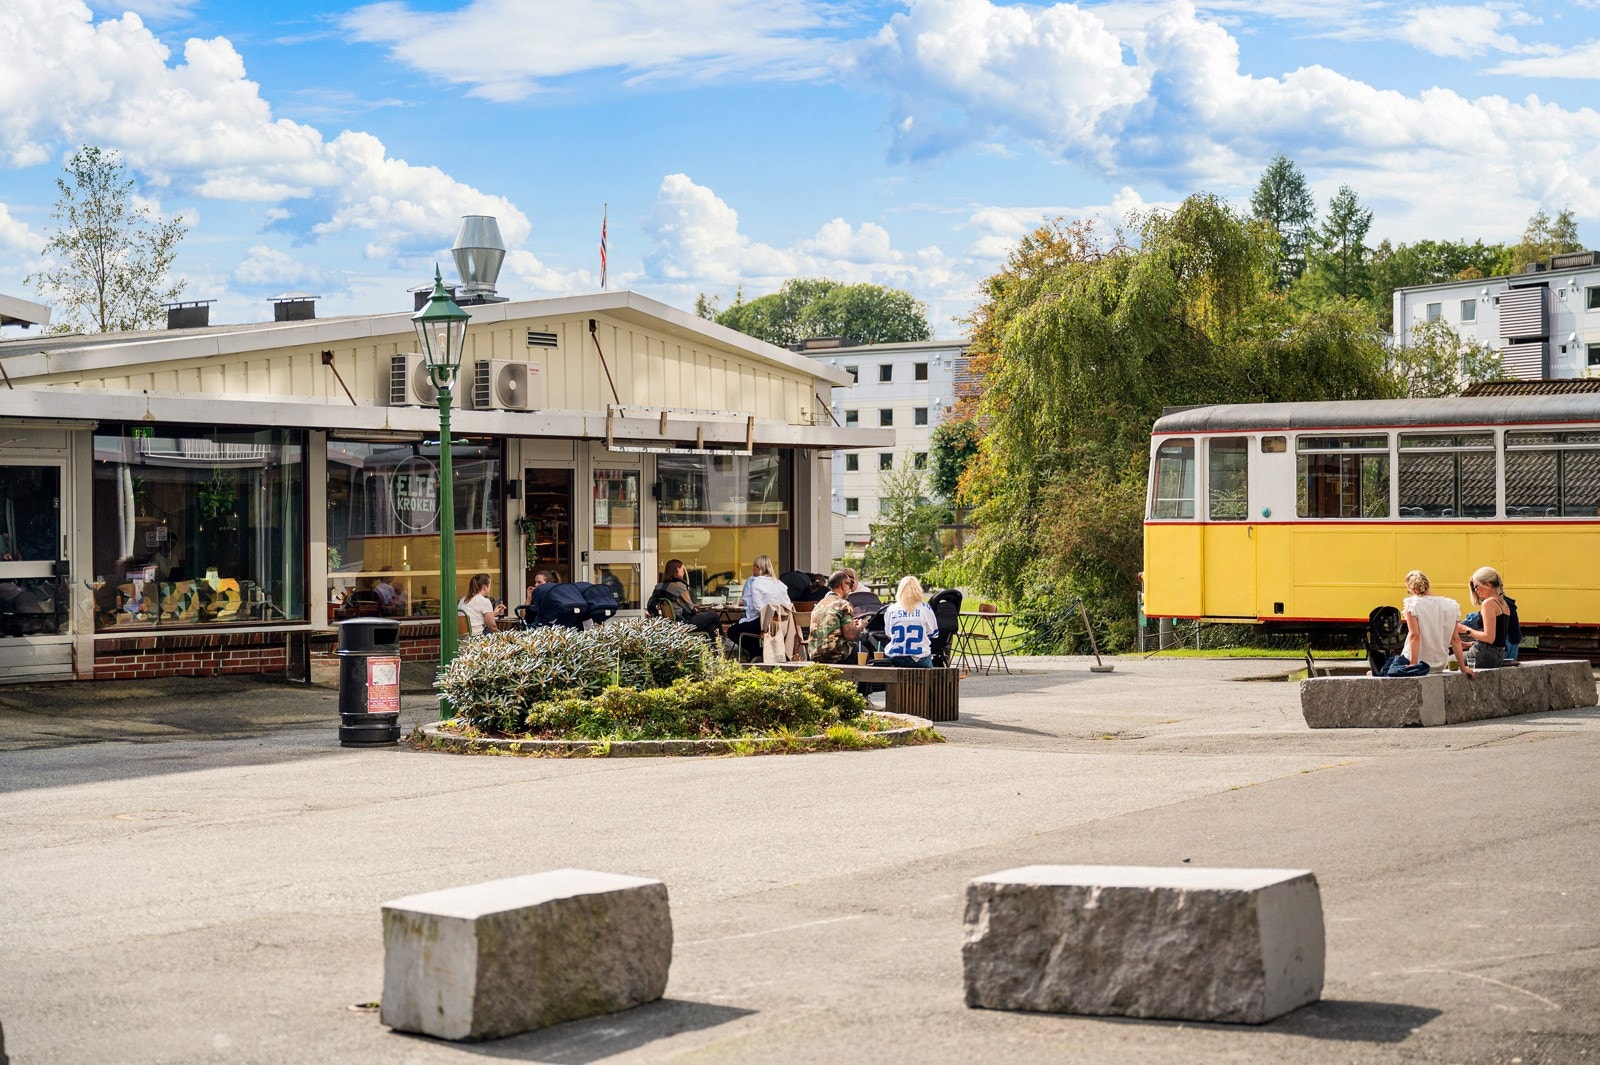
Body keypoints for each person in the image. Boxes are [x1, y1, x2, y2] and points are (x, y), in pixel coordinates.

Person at [1379, 570, 1471, 678]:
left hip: (1417, 663)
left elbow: (1415, 636)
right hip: (1439, 665)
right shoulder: (1451, 605)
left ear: (1415, 590)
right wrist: (1463, 668)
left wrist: (1413, 665)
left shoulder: (1413, 604)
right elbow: (1455, 639)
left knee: (1386, 669)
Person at [728, 554, 792, 659]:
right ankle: (762, 651)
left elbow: (758, 608)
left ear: (758, 568)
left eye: (754, 566)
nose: (752, 569)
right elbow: (787, 604)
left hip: (764, 623)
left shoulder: (756, 583)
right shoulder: (780, 584)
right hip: (783, 623)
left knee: (733, 631)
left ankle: (758, 652)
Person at [648, 559, 721, 640]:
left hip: (670, 624)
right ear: (677, 569)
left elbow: (650, 605)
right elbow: (690, 609)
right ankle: (723, 639)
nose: (683, 572)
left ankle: (715, 647)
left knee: (711, 626)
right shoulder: (679, 586)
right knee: (713, 614)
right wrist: (699, 612)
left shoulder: (658, 587)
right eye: (682, 569)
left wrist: (659, 619)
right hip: (683, 623)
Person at [1458, 566, 1510, 670]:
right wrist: (1468, 644)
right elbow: (1497, 639)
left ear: (1488, 584)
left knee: (1448, 662)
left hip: (1483, 655)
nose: (1476, 590)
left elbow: (1489, 638)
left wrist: (1465, 629)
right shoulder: (1504, 603)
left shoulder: (1489, 603)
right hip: (1498, 656)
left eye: (1477, 586)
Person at [807, 569, 864, 664]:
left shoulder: (819, 605)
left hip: (815, 654)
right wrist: (861, 626)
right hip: (835, 653)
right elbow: (849, 635)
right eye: (849, 585)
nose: (850, 589)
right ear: (843, 585)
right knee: (864, 651)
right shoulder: (844, 604)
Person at [881, 575, 938, 668]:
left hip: (896, 657)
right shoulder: (925, 608)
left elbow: (889, 634)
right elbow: (933, 633)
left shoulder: (891, 609)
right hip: (920, 658)